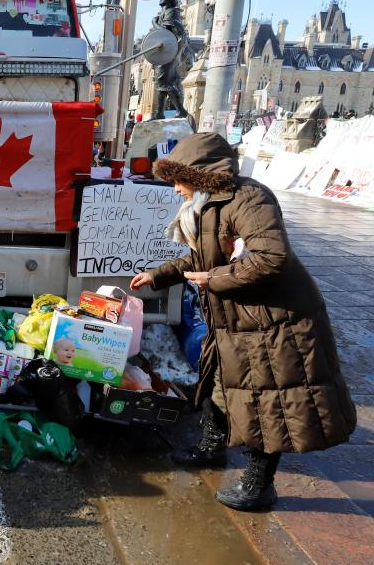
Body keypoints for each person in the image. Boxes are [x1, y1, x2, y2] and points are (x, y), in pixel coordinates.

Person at [130, 133, 356, 511]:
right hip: (237, 317)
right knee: (220, 382)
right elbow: (202, 259)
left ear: (199, 175)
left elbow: (271, 257)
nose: (175, 190)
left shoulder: (250, 198)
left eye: (178, 180)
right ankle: (212, 447)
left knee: (268, 402)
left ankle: (259, 485)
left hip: (275, 320)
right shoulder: (207, 204)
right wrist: (160, 275)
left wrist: (213, 280)